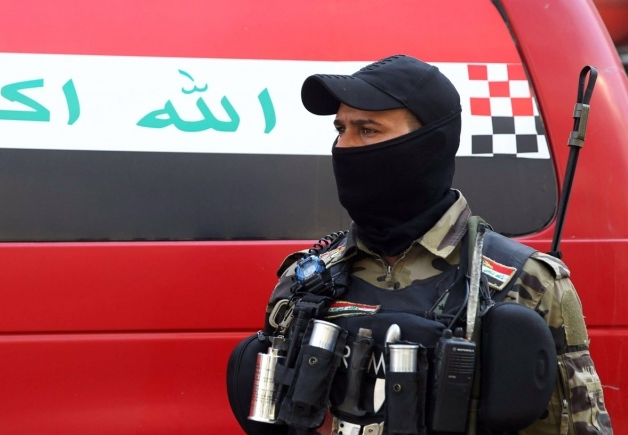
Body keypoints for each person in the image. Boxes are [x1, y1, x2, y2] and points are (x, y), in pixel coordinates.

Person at [226, 55, 612, 435]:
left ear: (430, 145)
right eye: (341, 129)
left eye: (367, 130)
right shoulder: (309, 279)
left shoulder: (526, 284)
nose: (345, 146)